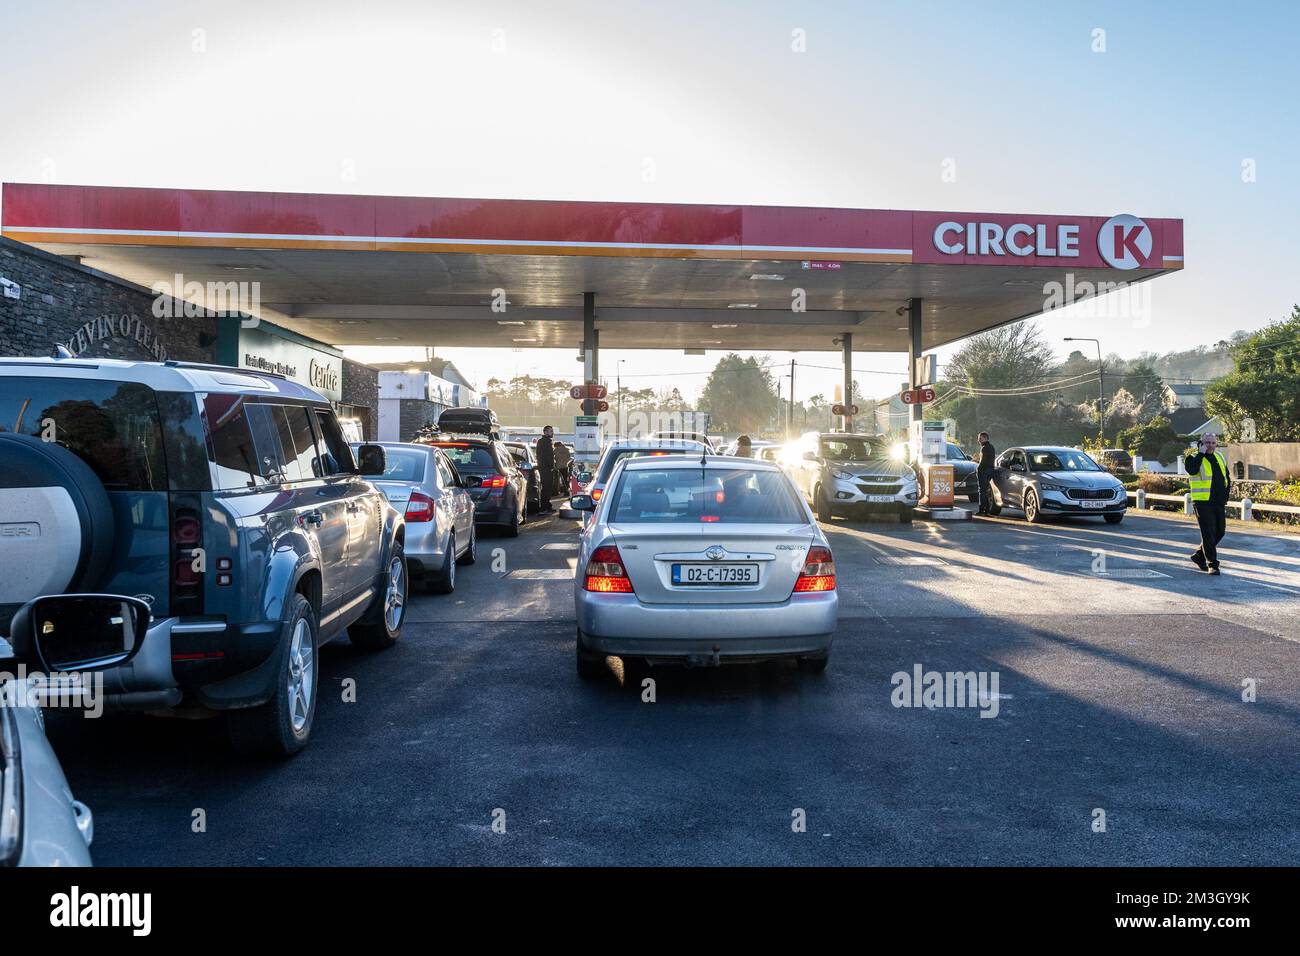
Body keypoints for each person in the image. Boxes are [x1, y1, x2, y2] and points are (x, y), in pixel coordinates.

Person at [1184, 431, 1230, 575]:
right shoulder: (1192, 458)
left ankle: (1199, 555)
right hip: (1202, 502)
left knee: (1220, 532)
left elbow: (1226, 476)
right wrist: (1201, 453)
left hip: (1218, 501)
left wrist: (1226, 494)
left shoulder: (1219, 456)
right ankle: (1212, 564)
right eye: (1207, 443)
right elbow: (1191, 470)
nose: (1210, 445)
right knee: (1208, 533)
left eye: (1213, 443)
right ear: (1201, 443)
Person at [535, 425, 556, 513]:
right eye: (550, 431)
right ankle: (544, 508)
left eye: (552, 431)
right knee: (547, 488)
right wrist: (551, 467)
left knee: (547, 488)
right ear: (545, 432)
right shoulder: (545, 442)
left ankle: (547, 506)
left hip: (544, 468)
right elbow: (547, 456)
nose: (552, 432)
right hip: (546, 469)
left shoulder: (542, 441)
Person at [975, 431, 996, 516]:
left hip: (984, 471)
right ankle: (986, 510)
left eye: (980, 438)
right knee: (985, 490)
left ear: (986, 438)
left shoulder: (984, 448)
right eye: (978, 438)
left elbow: (983, 462)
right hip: (990, 470)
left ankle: (981, 510)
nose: (978, 440)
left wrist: (978, 469)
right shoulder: (992, 447)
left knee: (981, 491)